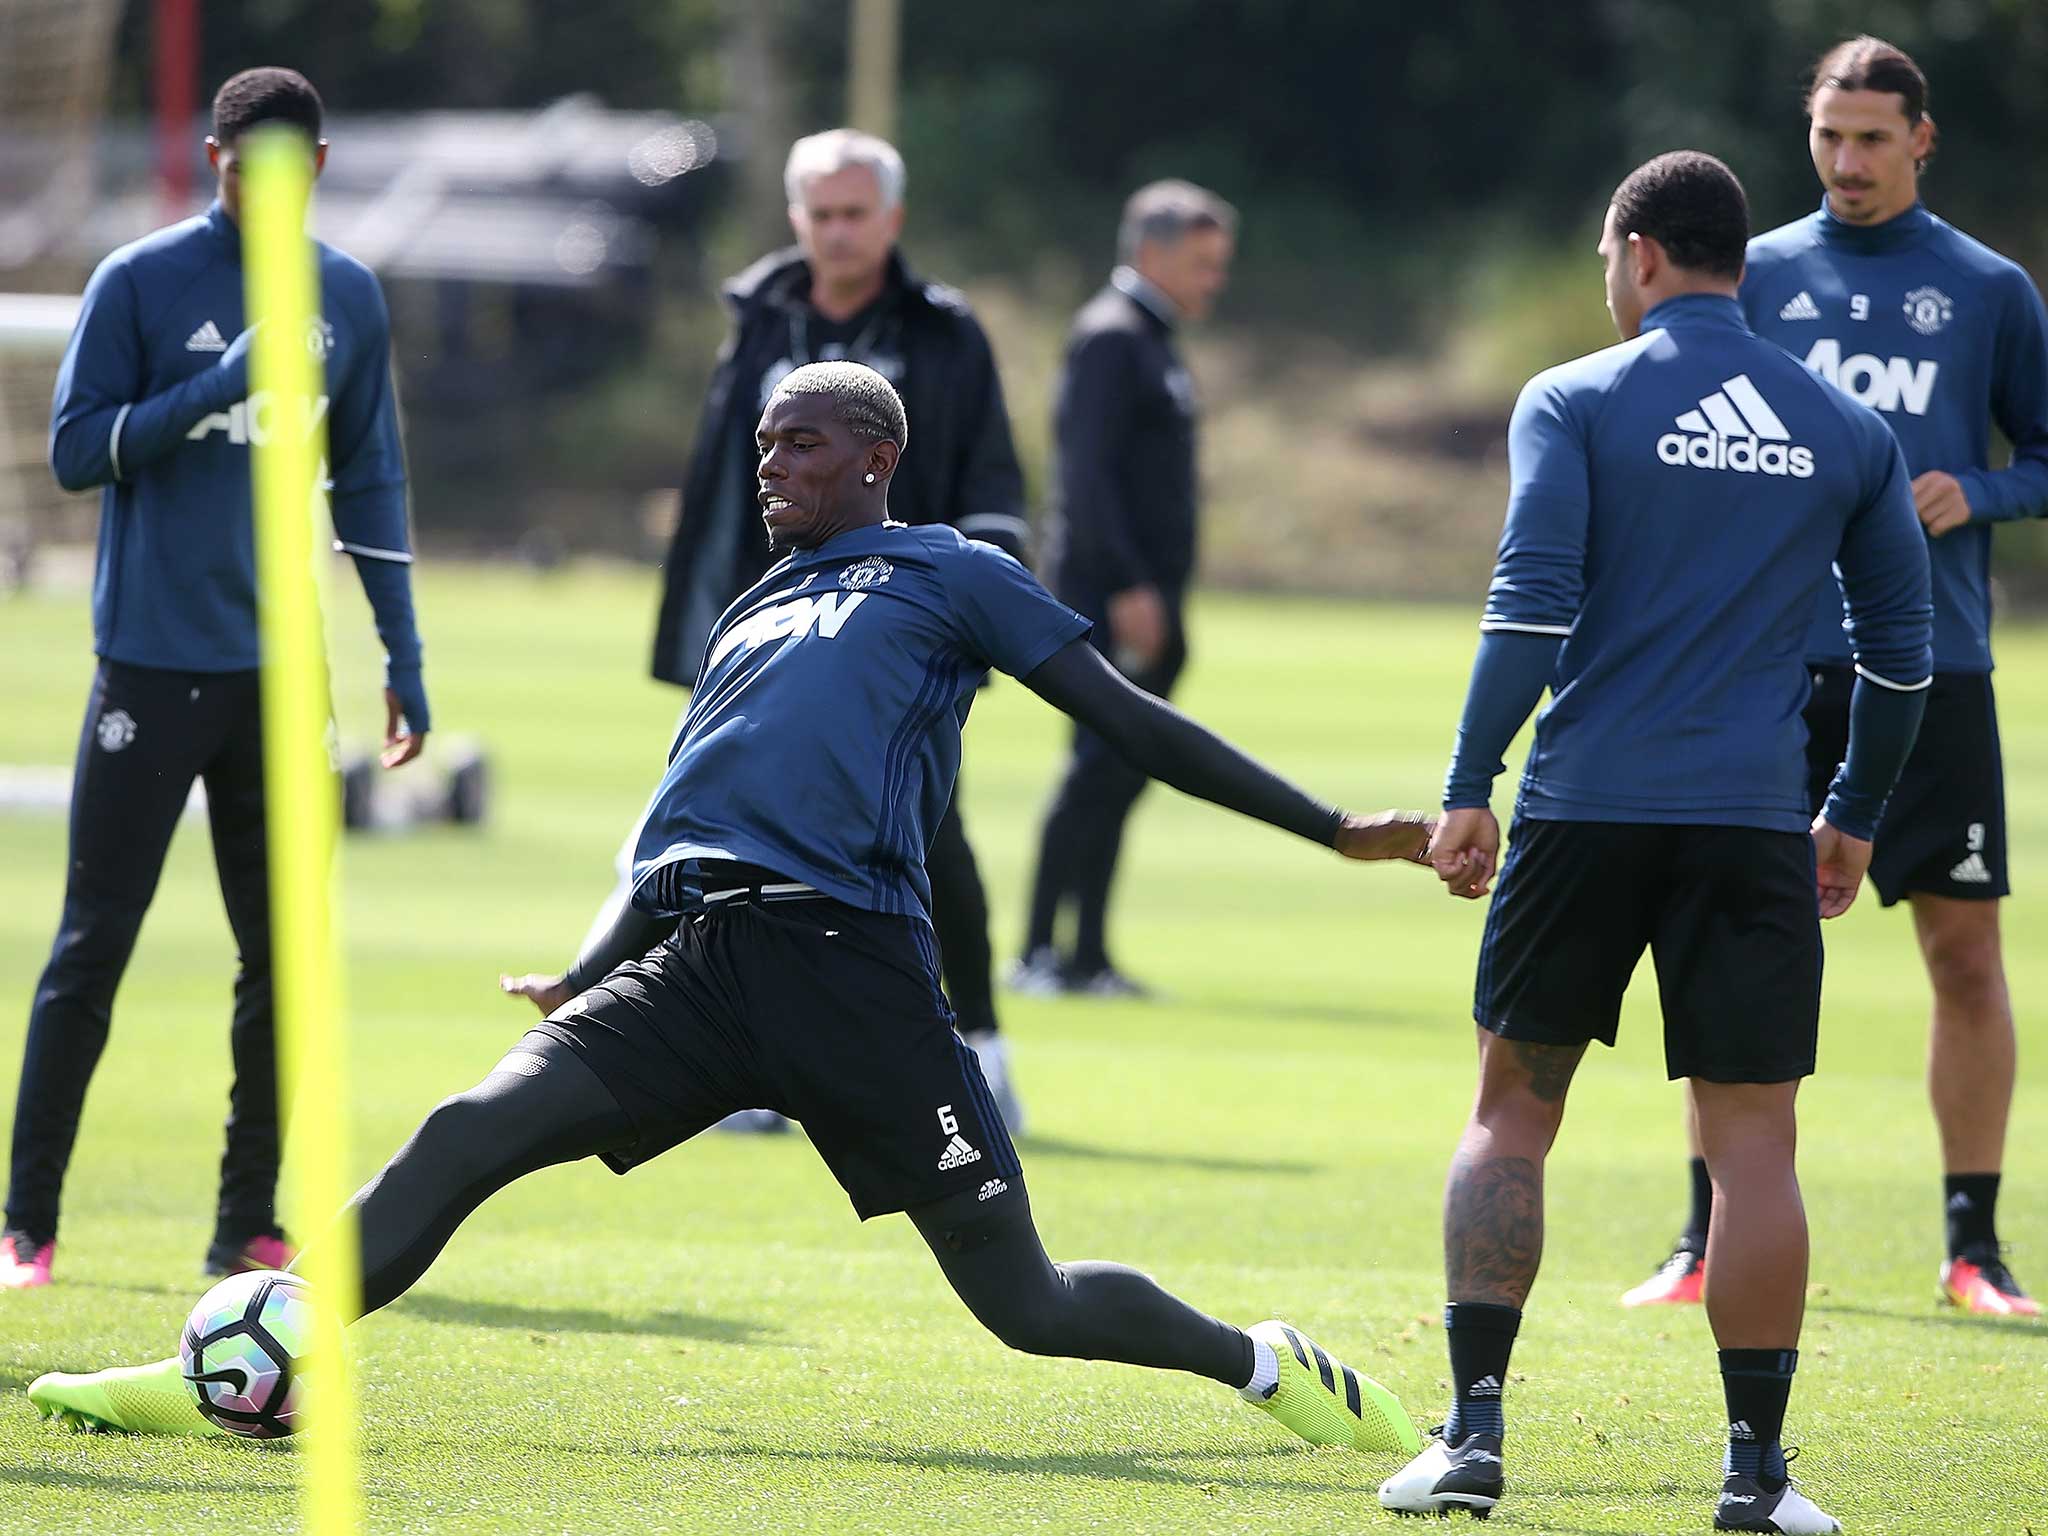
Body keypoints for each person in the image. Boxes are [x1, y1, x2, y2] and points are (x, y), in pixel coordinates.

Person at [30, 363, 1430, 1461]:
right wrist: (588, 969)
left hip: (855, 973)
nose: (772, 464)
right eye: (764, 444)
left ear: (875, 457)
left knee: (1029, 1305)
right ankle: (246, 1361)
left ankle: (1264, 1366)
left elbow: (1128, 719)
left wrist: (1329, 827)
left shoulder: (953, 574)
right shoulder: (751, 605)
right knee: (467, 1132)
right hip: (700, 965)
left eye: (802, 443)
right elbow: (674, 820)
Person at [1377, 154, 1932, 1532]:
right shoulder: (1845, 429)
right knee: (1755, 1146)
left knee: (1513, 1109)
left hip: (1583, 808)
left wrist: (1465, 783)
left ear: (1635, 254)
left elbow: (1531, 604)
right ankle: (1755, 1473)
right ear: (1738, 261)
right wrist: (1853, 813)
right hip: (1751, 822)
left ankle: (1476, 1442)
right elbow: (1903, 662)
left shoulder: (1573, 397)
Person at [1625, 36, 2048, 1319]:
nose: (1846, 162)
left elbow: (2043, 453)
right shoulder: (1757, 277)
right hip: (1765, 669)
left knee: (1963, 957)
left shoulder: (1986, 289)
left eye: (1872, 138)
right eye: (1827, 137)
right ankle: (1701, 1240)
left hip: (1930, 669)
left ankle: (1971, 1247)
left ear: (1921, 139)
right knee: (1721, 947)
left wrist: (1971, 490)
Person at [1, 69, 430, 1291]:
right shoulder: (138, 281)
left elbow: (373, 484)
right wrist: (217, 384)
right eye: (247, 168)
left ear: (321, 166)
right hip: (148, 663)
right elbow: (78, 451)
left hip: (282, 680)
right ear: (215, 159)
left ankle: (244, 1221)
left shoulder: (346, 297)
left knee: (284, 955)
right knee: (95, 946)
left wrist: (402, 653)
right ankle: (26, 1223)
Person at [641, 127, 1031, 1128]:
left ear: (891, 220)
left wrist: (980, 602)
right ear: (795, 218)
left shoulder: (943, 331)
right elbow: (723, 483)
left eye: (856, 213)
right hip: (771, 627)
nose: (838, 232)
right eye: (820, 213)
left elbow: (990, 475)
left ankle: (978, 1051)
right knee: (734, 837)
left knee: (928, 834)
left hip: (904, 627)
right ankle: (742, 1067)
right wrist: (706, 620)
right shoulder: (759, 319)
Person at [1012, 180, 1235, 998]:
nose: (1215, 279)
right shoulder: (1110, 336)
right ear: (1151, 252)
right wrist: (1129, 586)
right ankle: (1039, 952)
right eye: (1202, 263)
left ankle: (1089, 955)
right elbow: (1086, 478)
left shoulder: (1152, 338)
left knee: (1123, 772)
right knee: (1091, 770)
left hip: (1151, 597)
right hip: (1110, 599)